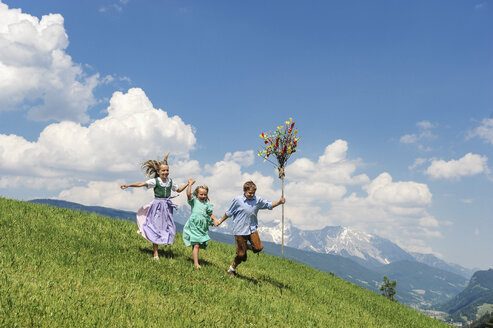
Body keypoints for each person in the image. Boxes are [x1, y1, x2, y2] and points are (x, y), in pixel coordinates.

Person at [120, 153, 190, 260]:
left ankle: (164, 241)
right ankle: (156, 253)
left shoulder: (170, 181)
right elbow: (141, 184)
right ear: (158, 172)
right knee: (155, 228)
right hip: (157, 207)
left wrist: (188, 184)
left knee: (170, 227)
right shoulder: (155, 181)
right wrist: (128, 185)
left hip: (167, 207)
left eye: (167, 170)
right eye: (163, 170)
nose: (165, 172)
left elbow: (179, 190)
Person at [217, 180, 285, 276]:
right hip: (240, 229)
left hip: (252, 228)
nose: (252, 195)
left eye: (253, 193)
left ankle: (244, 248)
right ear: (244, 191)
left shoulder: (257, 200)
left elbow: (269, 204)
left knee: (258, 248)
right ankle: (231, 269)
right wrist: (220, 221)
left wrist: (279, 202)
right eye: (250, 193)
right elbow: (229, 212)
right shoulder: (238, 200)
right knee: (240, 255)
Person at [182, 180, 219, 268]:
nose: (203, 196)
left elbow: (210, 214)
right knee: (197, 245)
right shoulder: (194, 201)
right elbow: (188, 194)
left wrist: (215, 220)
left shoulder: (207, 205)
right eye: (201, 194)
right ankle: (196, 263)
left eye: (205, 194)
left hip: (202, 226)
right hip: (194, 225)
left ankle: (195, 259)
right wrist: (189, 184)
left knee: (196, 244)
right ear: (197, 194)